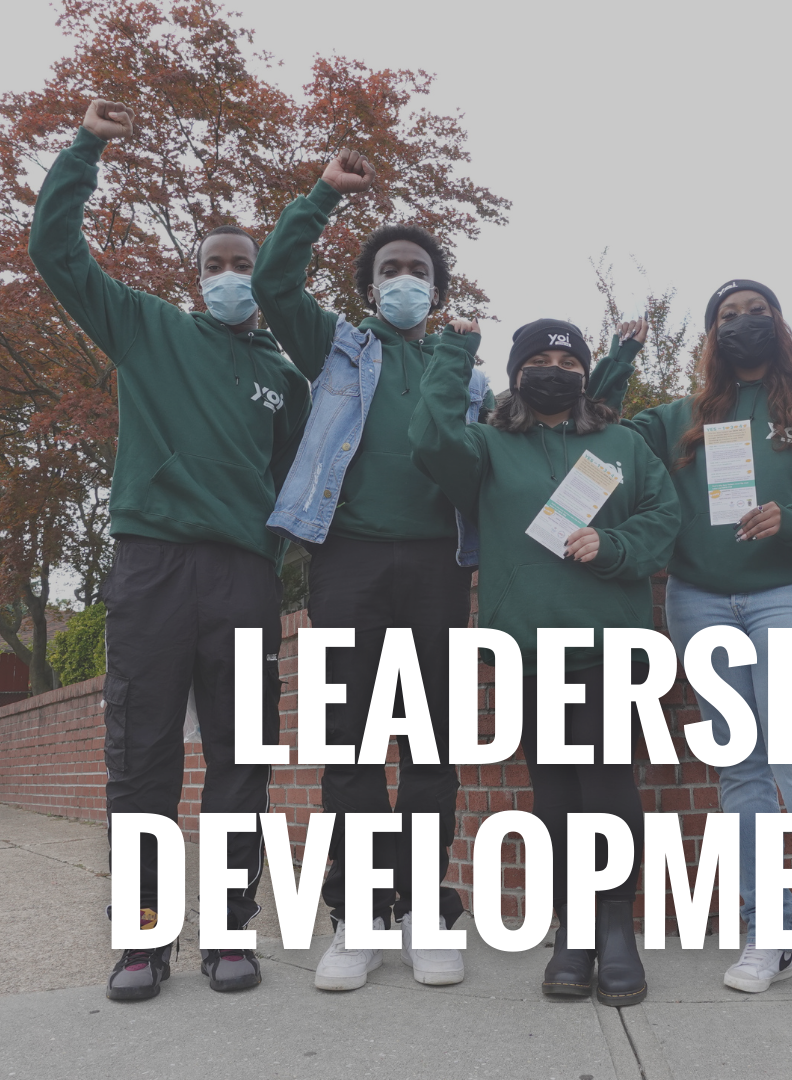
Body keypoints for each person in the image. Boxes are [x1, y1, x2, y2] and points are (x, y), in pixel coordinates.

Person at [28, 100, 311, 1001]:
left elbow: (301, 482)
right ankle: (143, 939)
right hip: (149, 567)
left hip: (243, 577)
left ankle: (231, 935)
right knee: (141, 756)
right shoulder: (147, 328)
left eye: (244, 265)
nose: (231, 276)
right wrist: (85, 149)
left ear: (263, 278)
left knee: (239, 758)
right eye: (215, 265)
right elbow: (55, 254)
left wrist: (262, 549)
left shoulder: (282, 376)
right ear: (196, 280)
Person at [589, 283, 792, 1016]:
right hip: (700, 598)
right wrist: (622, 353)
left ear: (777, 325)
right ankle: (766, 929)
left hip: (790, 595)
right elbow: (599, 426)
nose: (742, 323)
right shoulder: (682, 417)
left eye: (755, 312)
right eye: (727, 315)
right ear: (712, 336)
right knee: (741, 772)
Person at [250, 150, 493, 991]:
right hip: (346, 560)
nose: (404, 279)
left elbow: (500, 457)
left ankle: (425, 908)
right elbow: (276, 284)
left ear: (438, 288)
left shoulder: (464, 370)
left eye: (419, 270)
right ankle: (356, 915)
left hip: (435, 565)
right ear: (368, 286)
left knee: (429, 742)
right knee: (350, 743)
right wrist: (320, 196)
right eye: (390, 268)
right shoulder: (339, 349)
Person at [409, 316, 679, 1006]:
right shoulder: (490, 446)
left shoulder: (622, 443)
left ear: (586, 374)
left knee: (609, 787)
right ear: (517, 372)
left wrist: (613, 545)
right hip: (531, 648)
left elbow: (663, 514)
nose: (555, 367)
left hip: (610, 647)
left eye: (568, 357)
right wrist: (452, 350)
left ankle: (618, 926)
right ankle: (574, 929)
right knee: (556, 794)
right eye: (540, 358)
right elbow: (430, 438)